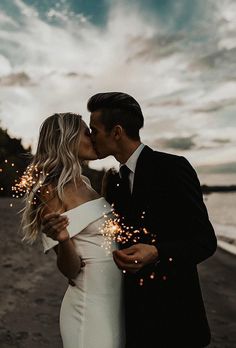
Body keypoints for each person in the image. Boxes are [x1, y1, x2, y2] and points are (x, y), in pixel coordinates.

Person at [43, 92, 217, 348]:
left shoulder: (173, 168)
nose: (91, 137)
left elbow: (205, 241)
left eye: (94, 130)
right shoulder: (112, 183)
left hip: (176, 318)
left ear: (116, 132)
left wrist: (157, 252)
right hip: (131, 319)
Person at [21, 113, 125, 348]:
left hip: (115, 300)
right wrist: (64, 240)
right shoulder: (47, 192)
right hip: (90, 304)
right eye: (87, 133)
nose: (93, 138)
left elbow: (102, 235)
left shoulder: (86, 183)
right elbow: (70, 270)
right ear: (66, 140)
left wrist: (108, 197)